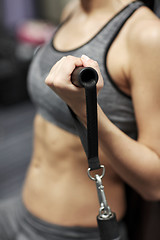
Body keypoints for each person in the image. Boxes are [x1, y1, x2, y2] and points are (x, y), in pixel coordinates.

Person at [0, 0, 160, 239]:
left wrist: (85, 109)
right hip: (21, 208)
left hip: (72, 232)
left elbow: (154, 185)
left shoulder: (147, 35)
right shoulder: (73, 9)